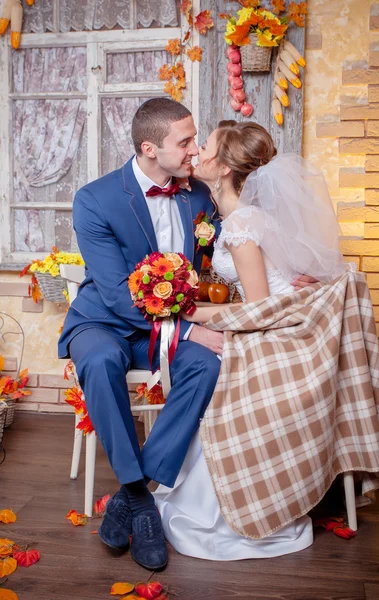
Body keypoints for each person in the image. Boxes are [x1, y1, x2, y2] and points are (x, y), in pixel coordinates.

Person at [58, 100, 315, 571]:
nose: (195, 149)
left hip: (173, 323)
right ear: (150, 148)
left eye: (198, 139)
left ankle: (132, 495)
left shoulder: (199, 194)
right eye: (185, 141)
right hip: (106, 321)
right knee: (99, 361)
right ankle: (140, 500)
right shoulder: (95, 199)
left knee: (209, 362)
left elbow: (244, 242)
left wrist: (290, 272)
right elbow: (117, 295)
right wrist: (185, 329)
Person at [154, 120, 347, 560]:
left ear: (224, 169)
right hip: (282, 322)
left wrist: (190, 312)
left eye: (206, 147)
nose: (197, 150)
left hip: (279, 336)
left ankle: (229, 504)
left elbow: (260, 308)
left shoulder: (241, 223)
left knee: (214, 369)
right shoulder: (241, 215)